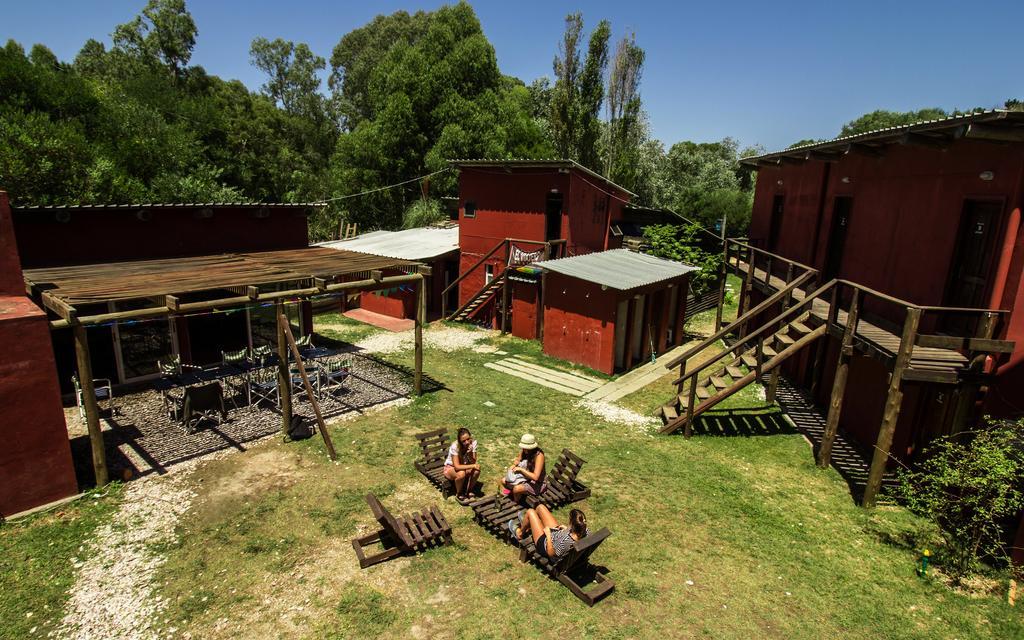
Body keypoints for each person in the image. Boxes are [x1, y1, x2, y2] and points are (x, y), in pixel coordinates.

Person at [513, 506, 590, 559]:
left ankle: (520, 533)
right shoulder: (586, 532)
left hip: (544, 543)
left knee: (530, 512)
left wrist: (548, 535)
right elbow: (575, 536)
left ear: (572, 524)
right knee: (540, 507)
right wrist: (567, 529)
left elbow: (550, 553)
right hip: (557, 535)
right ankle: (528, 522)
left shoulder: (565, 542)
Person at [499, 433, 545, 504]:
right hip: (525, 478)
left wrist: (521, 470)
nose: (524, 449)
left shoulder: (539, 456)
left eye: (526, 447)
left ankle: (515, 503)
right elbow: (517, 461)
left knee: (517, 489)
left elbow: (535, 477)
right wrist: (513, 466)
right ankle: (509, 494)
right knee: (503, 480)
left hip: (537, 483)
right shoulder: (525, 450)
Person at [443, 427, 480, 503]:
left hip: (465, 466)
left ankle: (469, 491)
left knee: (477, 470)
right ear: (459, 441)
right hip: (451, 468)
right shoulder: (455, 446)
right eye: (463, 441)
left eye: (468, 439)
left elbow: (473, 461)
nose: (466, 442)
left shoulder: (473, 443)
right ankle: (459, 494)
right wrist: (472, 466)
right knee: (461, 473)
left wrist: (470, 453)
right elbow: (457, 466)